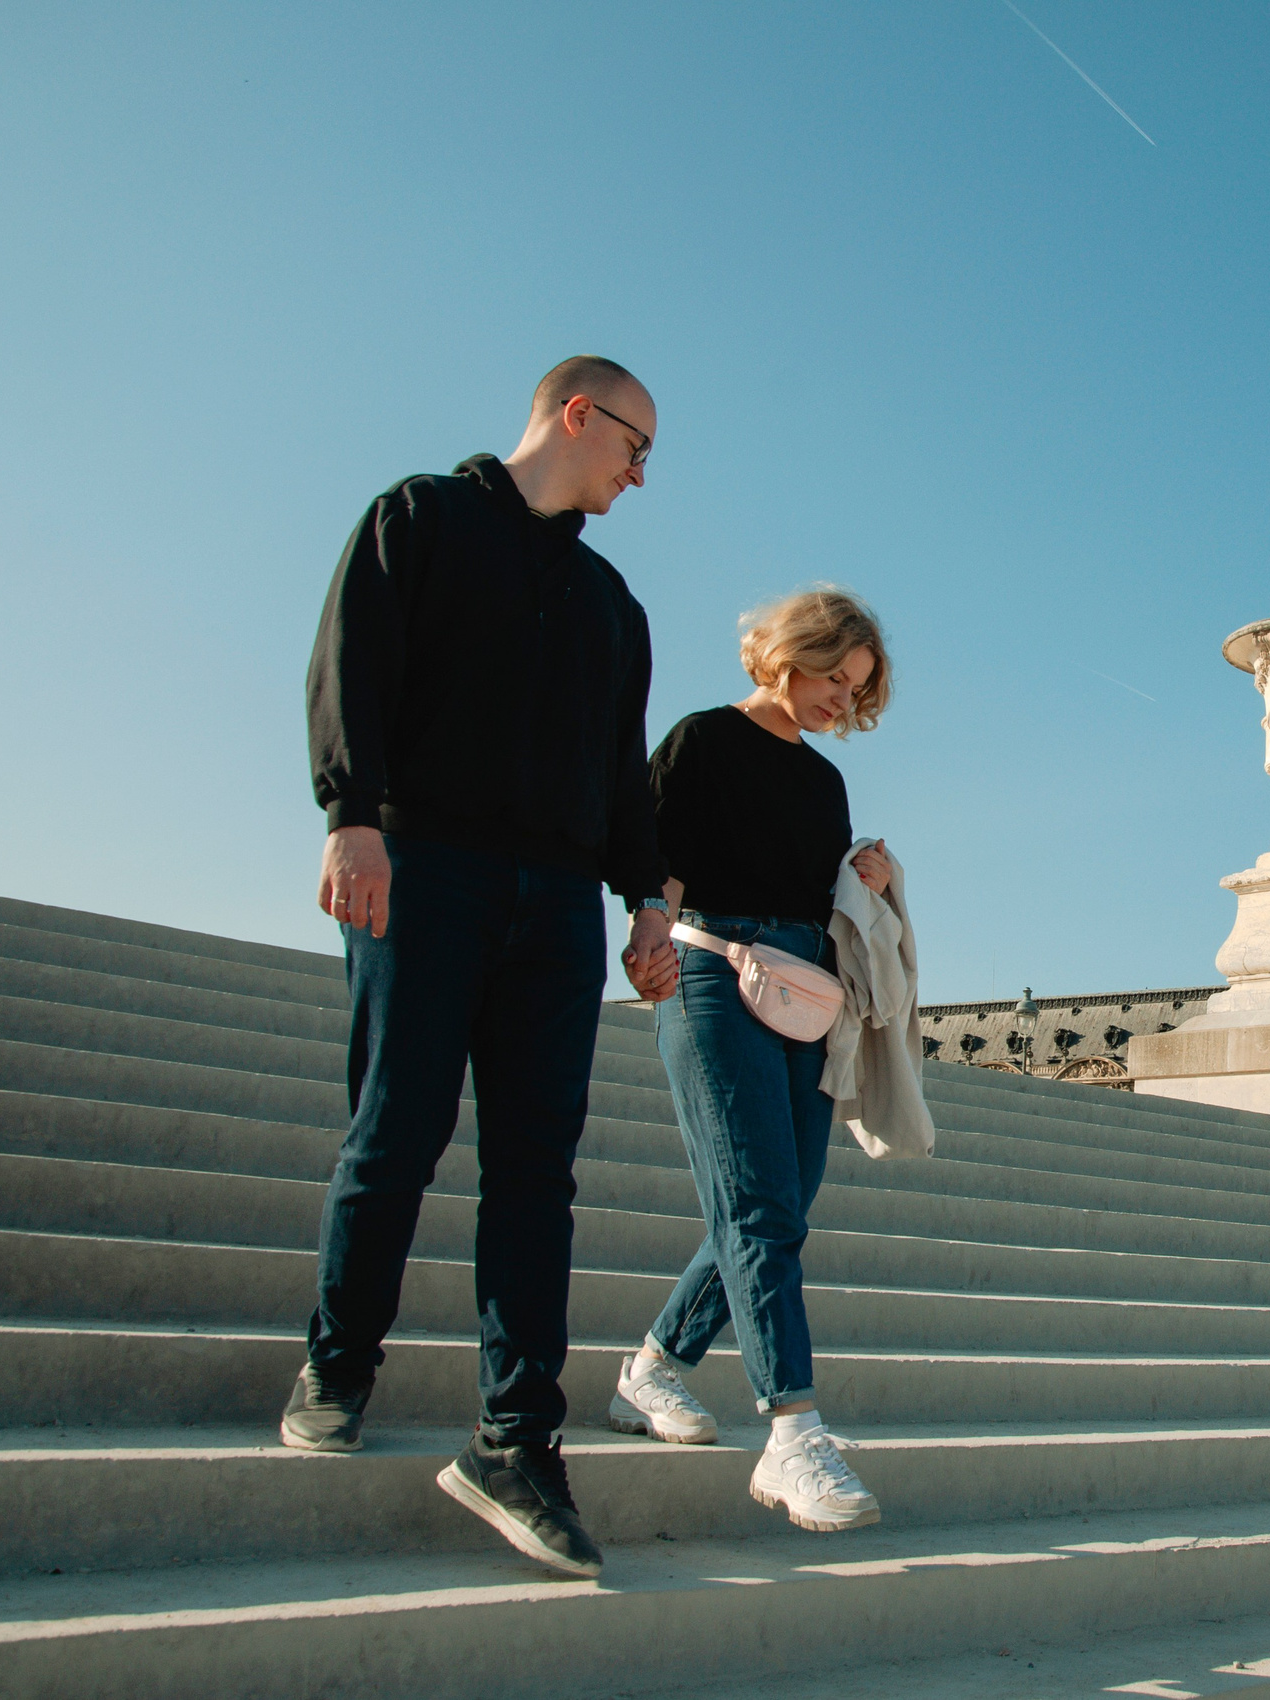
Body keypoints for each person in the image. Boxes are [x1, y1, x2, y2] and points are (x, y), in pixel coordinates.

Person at [288, 356, 681, 1581]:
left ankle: (517, 1436)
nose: (638, 470)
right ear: (577, 414)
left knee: (534, 1173)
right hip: (425, 864)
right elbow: (351, 662)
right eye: (635, 443)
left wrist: (649, 900)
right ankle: (339, 1362)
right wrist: (351, 814)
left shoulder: (614, 603)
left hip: (558, 902)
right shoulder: (422, 517)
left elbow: (622, 768)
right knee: (395, 1127)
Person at [607, 588, 896, 1532]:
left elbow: (813, 892)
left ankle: (653, 1365)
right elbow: (663, 858)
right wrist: (649, 923)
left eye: (855, 691)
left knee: (782, 1196)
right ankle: (793, 1433)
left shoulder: (824, 783)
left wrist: (867, 881)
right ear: (789, 653)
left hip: (802, 989)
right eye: (833, 677)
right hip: (709, 973)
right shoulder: (702, 740)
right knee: (760, 1204)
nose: (840, 702)